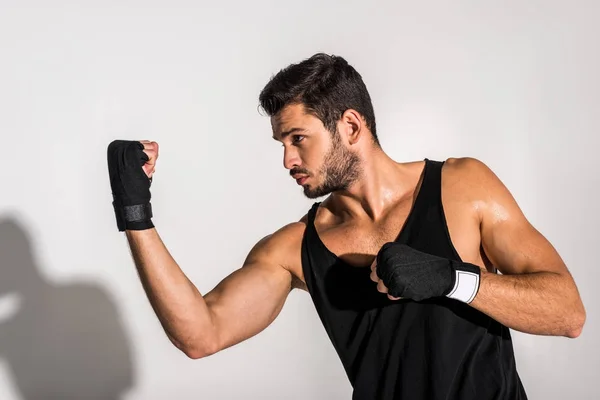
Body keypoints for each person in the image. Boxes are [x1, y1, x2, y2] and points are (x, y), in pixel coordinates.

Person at [106, 53, 586, 399]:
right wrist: (135, 214)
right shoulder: (295, 248)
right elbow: (201, 334)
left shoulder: (462, 187)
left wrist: (451, 280)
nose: (287, 159)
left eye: (298, 139)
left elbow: (567, 313)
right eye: (281, 143)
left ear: (351, 127)